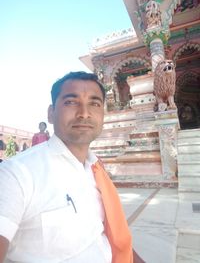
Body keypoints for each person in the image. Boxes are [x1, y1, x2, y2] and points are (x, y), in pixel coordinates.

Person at [0, 71, 143, 263]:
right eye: (71, 102)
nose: (84, 113)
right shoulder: (16, 174)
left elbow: (107, 238)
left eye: (94, 103)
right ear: (51, 113)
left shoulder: (95, 170)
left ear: (103, 114)